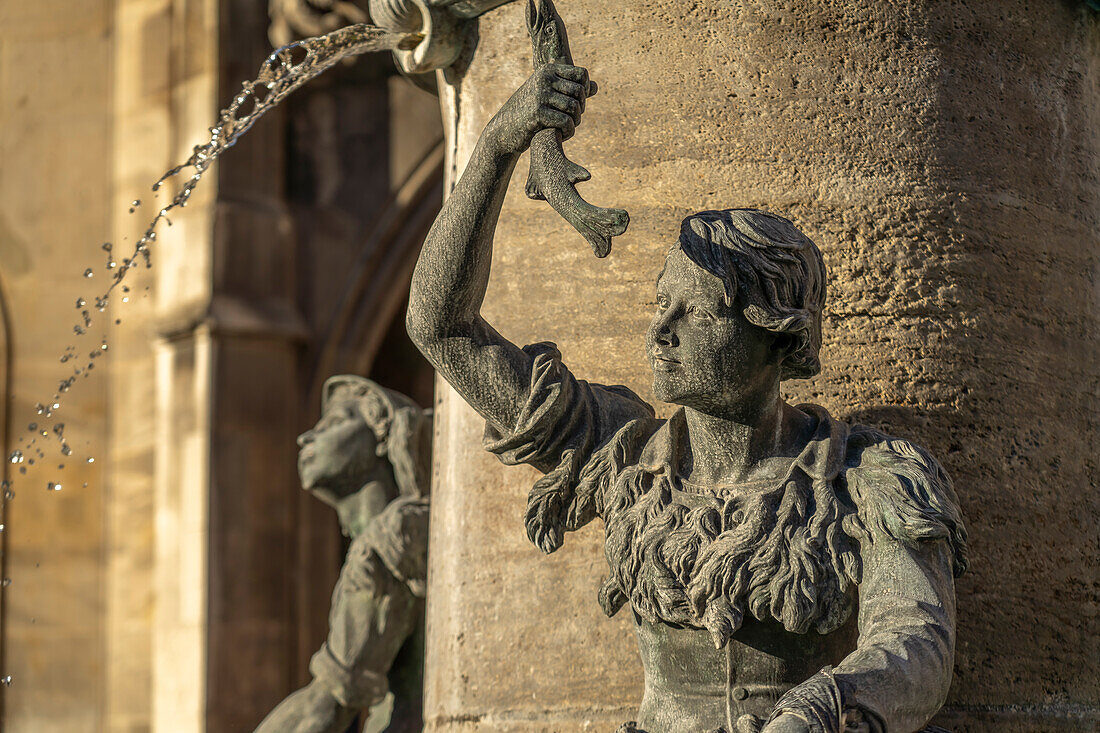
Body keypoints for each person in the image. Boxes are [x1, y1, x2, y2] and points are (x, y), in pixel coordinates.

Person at [405, 62, 967, 733]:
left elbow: (914, 639)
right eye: (659, 304)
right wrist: (498, 144)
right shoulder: (620, 453)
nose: (659, 332)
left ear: (773, 332)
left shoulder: (866, 476)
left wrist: (825, 706)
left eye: (694, 312)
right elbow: (440, 328)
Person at [255, 375, 432, 733]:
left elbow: (326, 706)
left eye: (336, 423)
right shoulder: (390, 534)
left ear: (382, 439)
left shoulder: (390, 537)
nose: (305, 437)